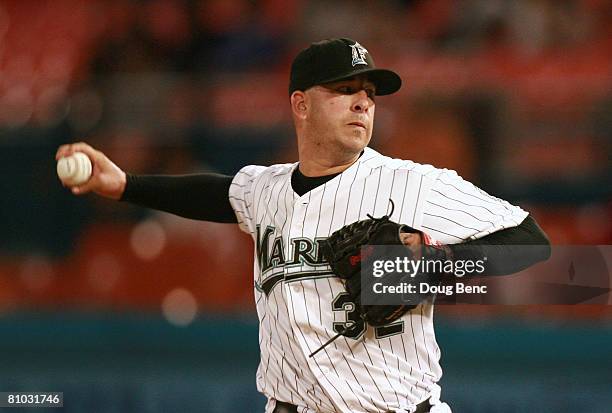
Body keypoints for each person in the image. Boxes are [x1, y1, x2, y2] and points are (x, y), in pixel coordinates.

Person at [56, 38, 550, 413]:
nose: (362, 102)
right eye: (343, 90)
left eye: (369, 94)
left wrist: (427, 270)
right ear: (301, 104)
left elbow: (532, 245)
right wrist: (122, 184)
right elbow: (213, 194)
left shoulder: (412, 184)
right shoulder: (264, 191)